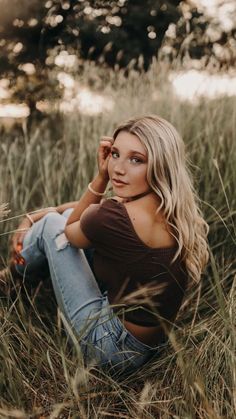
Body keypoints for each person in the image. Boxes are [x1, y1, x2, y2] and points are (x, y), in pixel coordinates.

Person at [1, 115, 209, 374]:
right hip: (149, 344)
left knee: (52, 226)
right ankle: (29, 274)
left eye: (136, 160)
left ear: (160, 164)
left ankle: (12, 279)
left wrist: (100, 178)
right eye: (115, 154)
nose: (118, 169)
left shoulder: (112, 216)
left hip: (110, 349)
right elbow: (88, 212)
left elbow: (70, 230)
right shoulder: (168, 206)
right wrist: (39, 214)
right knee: (61, 217)